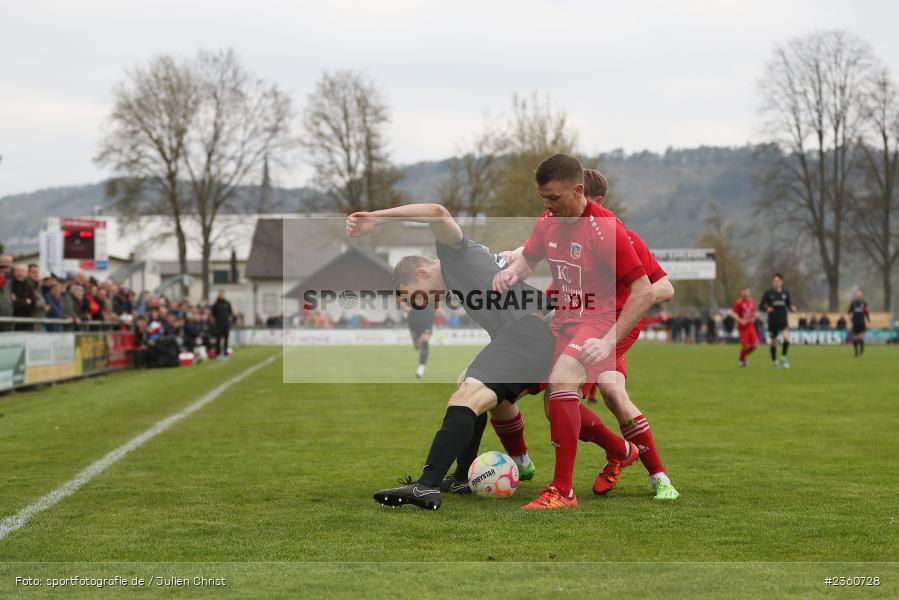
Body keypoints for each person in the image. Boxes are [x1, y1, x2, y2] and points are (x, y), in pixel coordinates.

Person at [348, 203, 576, 509]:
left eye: (415, 295)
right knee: (468, 389)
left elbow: (437, 211)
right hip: (528, 333)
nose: (420, 304)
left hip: (527, 332)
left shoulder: (452, 252)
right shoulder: (463, 268)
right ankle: (459, 477)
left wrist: (376, 217)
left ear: (421, 272)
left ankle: (426, 486)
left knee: (466, 397)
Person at [496, 154, 661, 508]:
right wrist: (514, 272)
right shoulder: (548, 221)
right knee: (553, 404)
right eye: (544, 198)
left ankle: (563, 491)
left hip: (598, 319)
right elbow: (529, 258)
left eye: (554, 198)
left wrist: (608, 341)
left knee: (563, 379)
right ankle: (620, 450)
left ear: (579, 190)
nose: (548, 205)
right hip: (564, 320)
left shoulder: (606, 229)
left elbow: (645, 291)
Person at [759, 273, 796, 369]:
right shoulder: (768, 293)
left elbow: (789, 304)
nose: (775, 283)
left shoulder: (785, 293)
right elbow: (761, 306)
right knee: (773, 343)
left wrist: (792, 308)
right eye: (774, 281)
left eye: (777, 281)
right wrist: (767, 308)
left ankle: (783, 357)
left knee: (786, 338)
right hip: (772, 321)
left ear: (781, 282)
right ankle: (775, 361)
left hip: (783, 320)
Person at [400, 293, 435, 379]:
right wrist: (405, 307)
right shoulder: (409, 283)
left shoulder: (430, 282)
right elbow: (400, 297)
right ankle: (419, 341)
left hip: (428, 316)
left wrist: (439, 307)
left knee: (425, 339)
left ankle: (421, 368)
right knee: (417, 346)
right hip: (413, 318)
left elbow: (439, 294)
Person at [731, 286, 759, 367]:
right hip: (742, 327)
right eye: (744, 291)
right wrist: (740, 320)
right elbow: (733, 314)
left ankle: (742, 356)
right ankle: (742, 360)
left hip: (751, 325)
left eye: (747, 291)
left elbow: (753, 311)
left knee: (755, 345)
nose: (746, 293)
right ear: (742, 292)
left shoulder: (752, 301)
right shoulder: (739, 302)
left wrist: (755, 315)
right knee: (746, 346)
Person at [211, 290, 233, 359]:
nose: (222, 295)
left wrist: (229, 321)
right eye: (220, 294)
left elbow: (230, 314)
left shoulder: (227, 303)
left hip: (226, 325)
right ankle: (217, 354)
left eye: (223, 294)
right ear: (218, 294)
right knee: (218, 340)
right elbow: (212, 315)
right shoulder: (215, 304)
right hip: (218, 325)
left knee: (226, 340)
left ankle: (225, 353)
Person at [848, 289, 870, 357]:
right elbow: (849, 312)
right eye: (858, 295)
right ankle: (856, 352)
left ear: (862, 296)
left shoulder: (864, 303)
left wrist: (868, 319)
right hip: (855, 323)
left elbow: (866, 312)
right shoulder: (853, 303)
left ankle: (862, 352)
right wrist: (850, 316)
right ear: (856, 296)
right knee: (854, 339)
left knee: (861, 338)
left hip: (862, 323)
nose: (859, 296)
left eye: (860, 295)